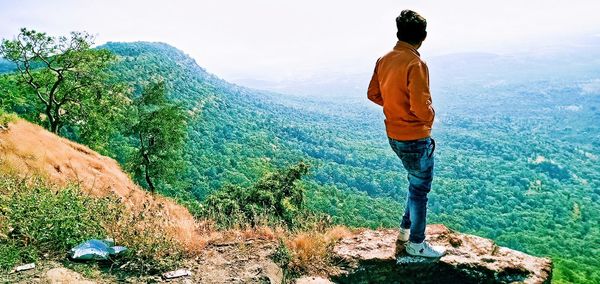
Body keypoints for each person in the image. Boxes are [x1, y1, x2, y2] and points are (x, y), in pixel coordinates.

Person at [367, 10, 445, 258]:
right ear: (423, 36)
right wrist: (430, 117)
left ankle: (405, 230)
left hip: (394, 134)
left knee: (415, 185)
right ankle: (416, 243)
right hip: (414, 136)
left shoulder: (384, 59)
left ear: (398, 32)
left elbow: (373, 94)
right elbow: (421, 108)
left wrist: (395, 106)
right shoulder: (415, 63)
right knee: (420, 190)